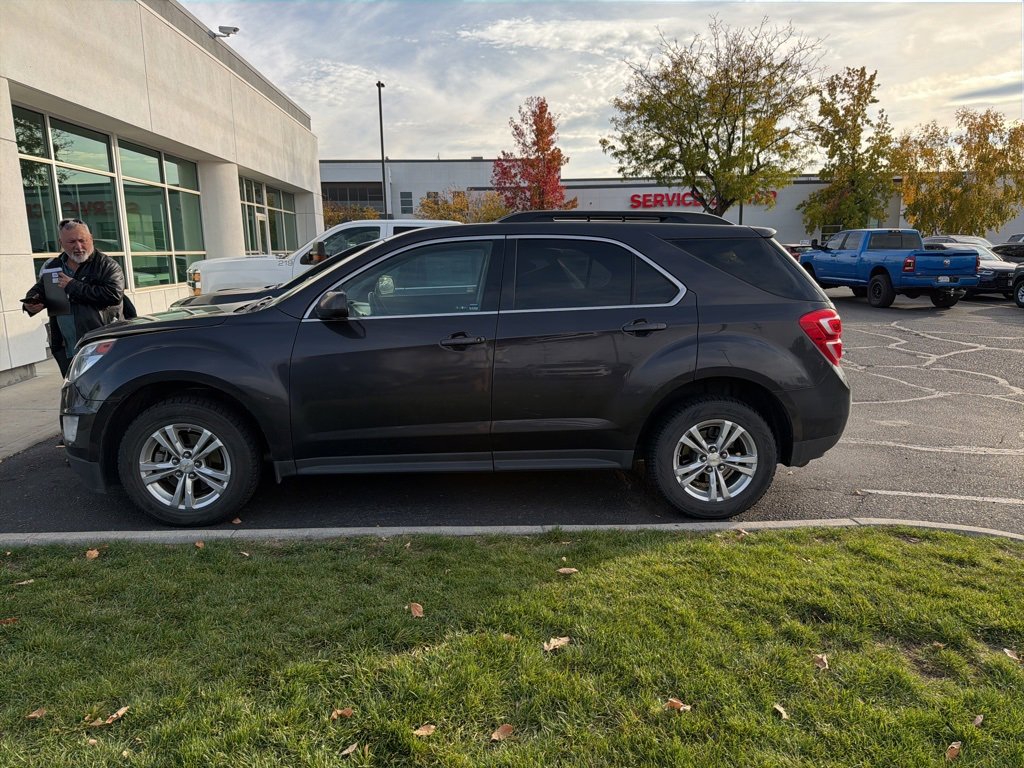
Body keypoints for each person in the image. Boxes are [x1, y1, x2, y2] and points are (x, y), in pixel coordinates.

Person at [21, 218, 125, 377]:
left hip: (98, 343)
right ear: (61, 242)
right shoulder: (54, 266)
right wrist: (31, 304)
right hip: (65, 347)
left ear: (91, 239)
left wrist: (72, 286)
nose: (78, 247)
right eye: (71, 242)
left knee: (100, 386)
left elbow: (113, 295)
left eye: (82, 240)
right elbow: (38, 291)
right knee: (74, 390)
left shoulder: (107, 265)